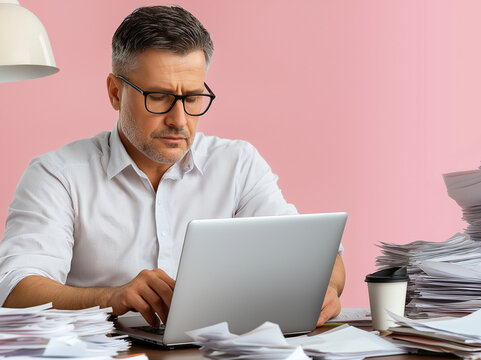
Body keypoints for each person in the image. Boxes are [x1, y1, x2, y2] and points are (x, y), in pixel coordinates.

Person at [0, 5, 344, 328]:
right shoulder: (57, 174)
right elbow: (14, 290)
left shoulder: (237, 165)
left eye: (192, 98)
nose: (179, 120)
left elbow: (321, 259)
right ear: (115, 92)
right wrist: (111, 298)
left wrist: (322, 288)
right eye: (159, 97)